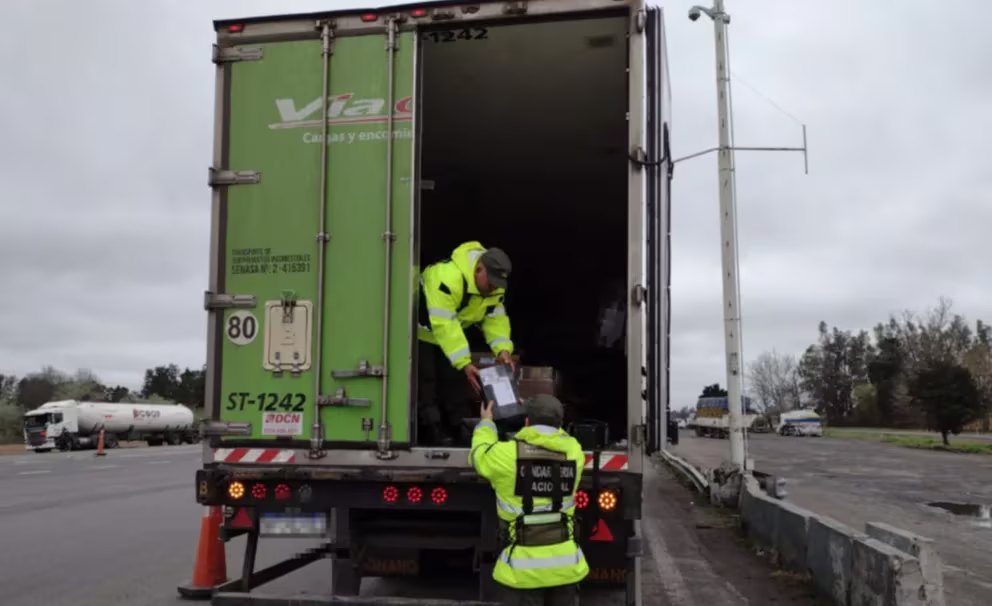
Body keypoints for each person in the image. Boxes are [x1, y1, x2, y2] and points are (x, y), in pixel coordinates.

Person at [469, 394, 589, 605]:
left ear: (526, 422)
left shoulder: (504, 456)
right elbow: (558, 438)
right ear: (560, 423)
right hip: (566, 570)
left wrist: (486, 422)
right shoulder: (574, 453)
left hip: (521, 574)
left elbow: (479, 455)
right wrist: (541, 412)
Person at [417, 241, 515, 445]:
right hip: (422, 336)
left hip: (452, 337)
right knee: (427, 384)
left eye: (498, 284)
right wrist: (464, 362)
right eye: (491, 282)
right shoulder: (447, 277)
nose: (494, 288)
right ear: (479, 269)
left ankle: (458, 431)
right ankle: (432, 433)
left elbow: (495, 318)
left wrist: (503, 350)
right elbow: (445, 324)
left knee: (454, 386)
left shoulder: (492, 288)